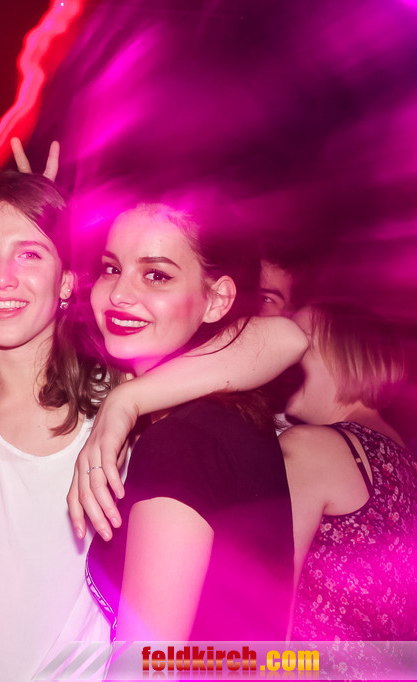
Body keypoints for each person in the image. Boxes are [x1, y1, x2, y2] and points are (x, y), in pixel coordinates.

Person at [0, 175, 305, 681]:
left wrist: (127, 402)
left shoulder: (124, 391)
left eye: (30, 253)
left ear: (67, 282)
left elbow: (285, 339)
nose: (2, 278)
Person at [86, 203, 295, 643]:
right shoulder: (226, 417)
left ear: (216, 300)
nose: (119, 293)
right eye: (111, 268)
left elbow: (147, 664)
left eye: (155, 275)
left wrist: (125, 401)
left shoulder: (182, 442)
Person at [280, 302, 417, 640]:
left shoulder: (313, 448)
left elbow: (268, 608)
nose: (282, 356)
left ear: (348, 358)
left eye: (299, 341)